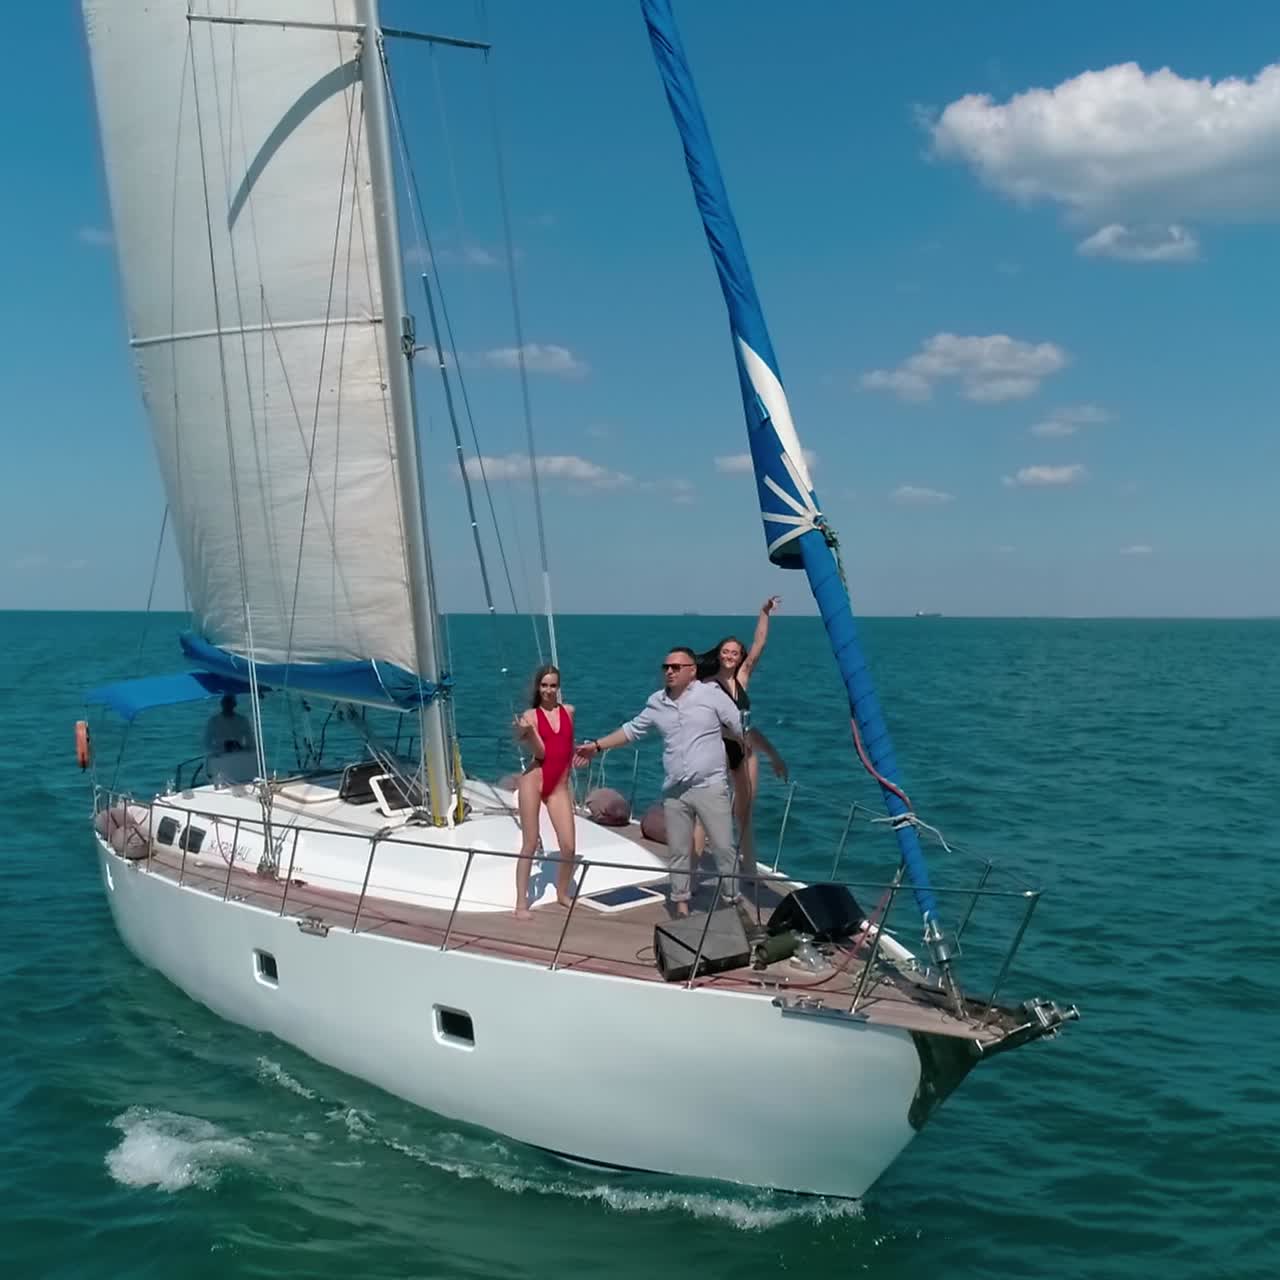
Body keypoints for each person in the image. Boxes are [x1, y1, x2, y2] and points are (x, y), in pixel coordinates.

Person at [576, 648, 744, 916]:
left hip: (710, 786)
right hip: (675, 791)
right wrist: (596, 746)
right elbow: (632, 730)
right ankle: (681, 905)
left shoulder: (711, 695)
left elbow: (739, 726)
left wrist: (749, 759)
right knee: (678, 850)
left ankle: (733, 903)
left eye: (676, 667)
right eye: (666, 666)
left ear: (692, 671)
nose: (669, 671)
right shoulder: (657, 703)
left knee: (724, 848)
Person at [696, 597, 787, 877]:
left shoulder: (743, 678)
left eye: (735, 652)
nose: (730, 656)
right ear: (719, 654)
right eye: (726, 652)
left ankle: (748, 870)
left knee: (744, 813)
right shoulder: (707, 685)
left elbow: (759, 644)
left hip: (746, 752)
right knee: (706, 813)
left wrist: (764, 613)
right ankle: (694, 868)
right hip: (718, 750)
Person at [511, 664, 577, 919]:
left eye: (553, 685)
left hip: (559, 786)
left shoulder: (569, 711)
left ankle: (562, 893)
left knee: (569, 846)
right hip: (534, 781)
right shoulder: (530, 716)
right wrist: (526, 733)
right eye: (544, 685)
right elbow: (542, 754)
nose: (549, 690)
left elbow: (566, 745)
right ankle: (520, 903)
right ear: (538, 687)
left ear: (558, 687)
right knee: (530, 843)